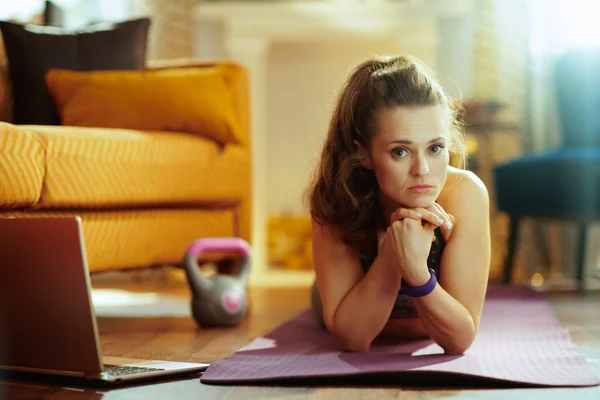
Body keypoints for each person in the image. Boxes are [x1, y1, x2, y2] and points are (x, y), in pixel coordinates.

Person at [306, 55, 491, 354]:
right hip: (343, 297)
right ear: (364, 154)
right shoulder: (334, 196)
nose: (423, 170)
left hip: (397, 314)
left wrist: (417, 271)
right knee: (324, 301)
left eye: (434, 148)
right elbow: (353, 339)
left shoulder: (466, 193)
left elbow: (459, 339)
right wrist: (394, 250)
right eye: (400, 152)